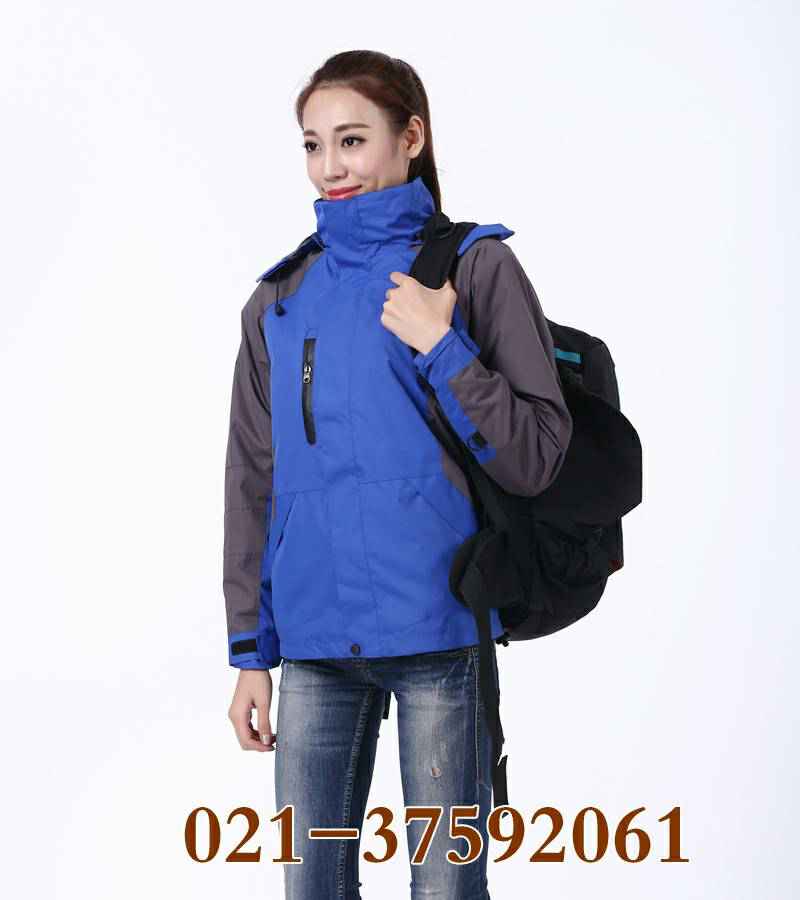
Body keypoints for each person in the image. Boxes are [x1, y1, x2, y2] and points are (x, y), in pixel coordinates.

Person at [223, 50, 572, 900]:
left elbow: (537, 451)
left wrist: (442, 344)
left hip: (439, 630)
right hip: (314, 644)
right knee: (311, 888)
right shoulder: (278, 300)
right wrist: (249, 652)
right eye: (313, 146)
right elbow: (252, 478)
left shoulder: (474, 268)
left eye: (352, 140)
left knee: (446, 889)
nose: (330, 168)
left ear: (411, 137)